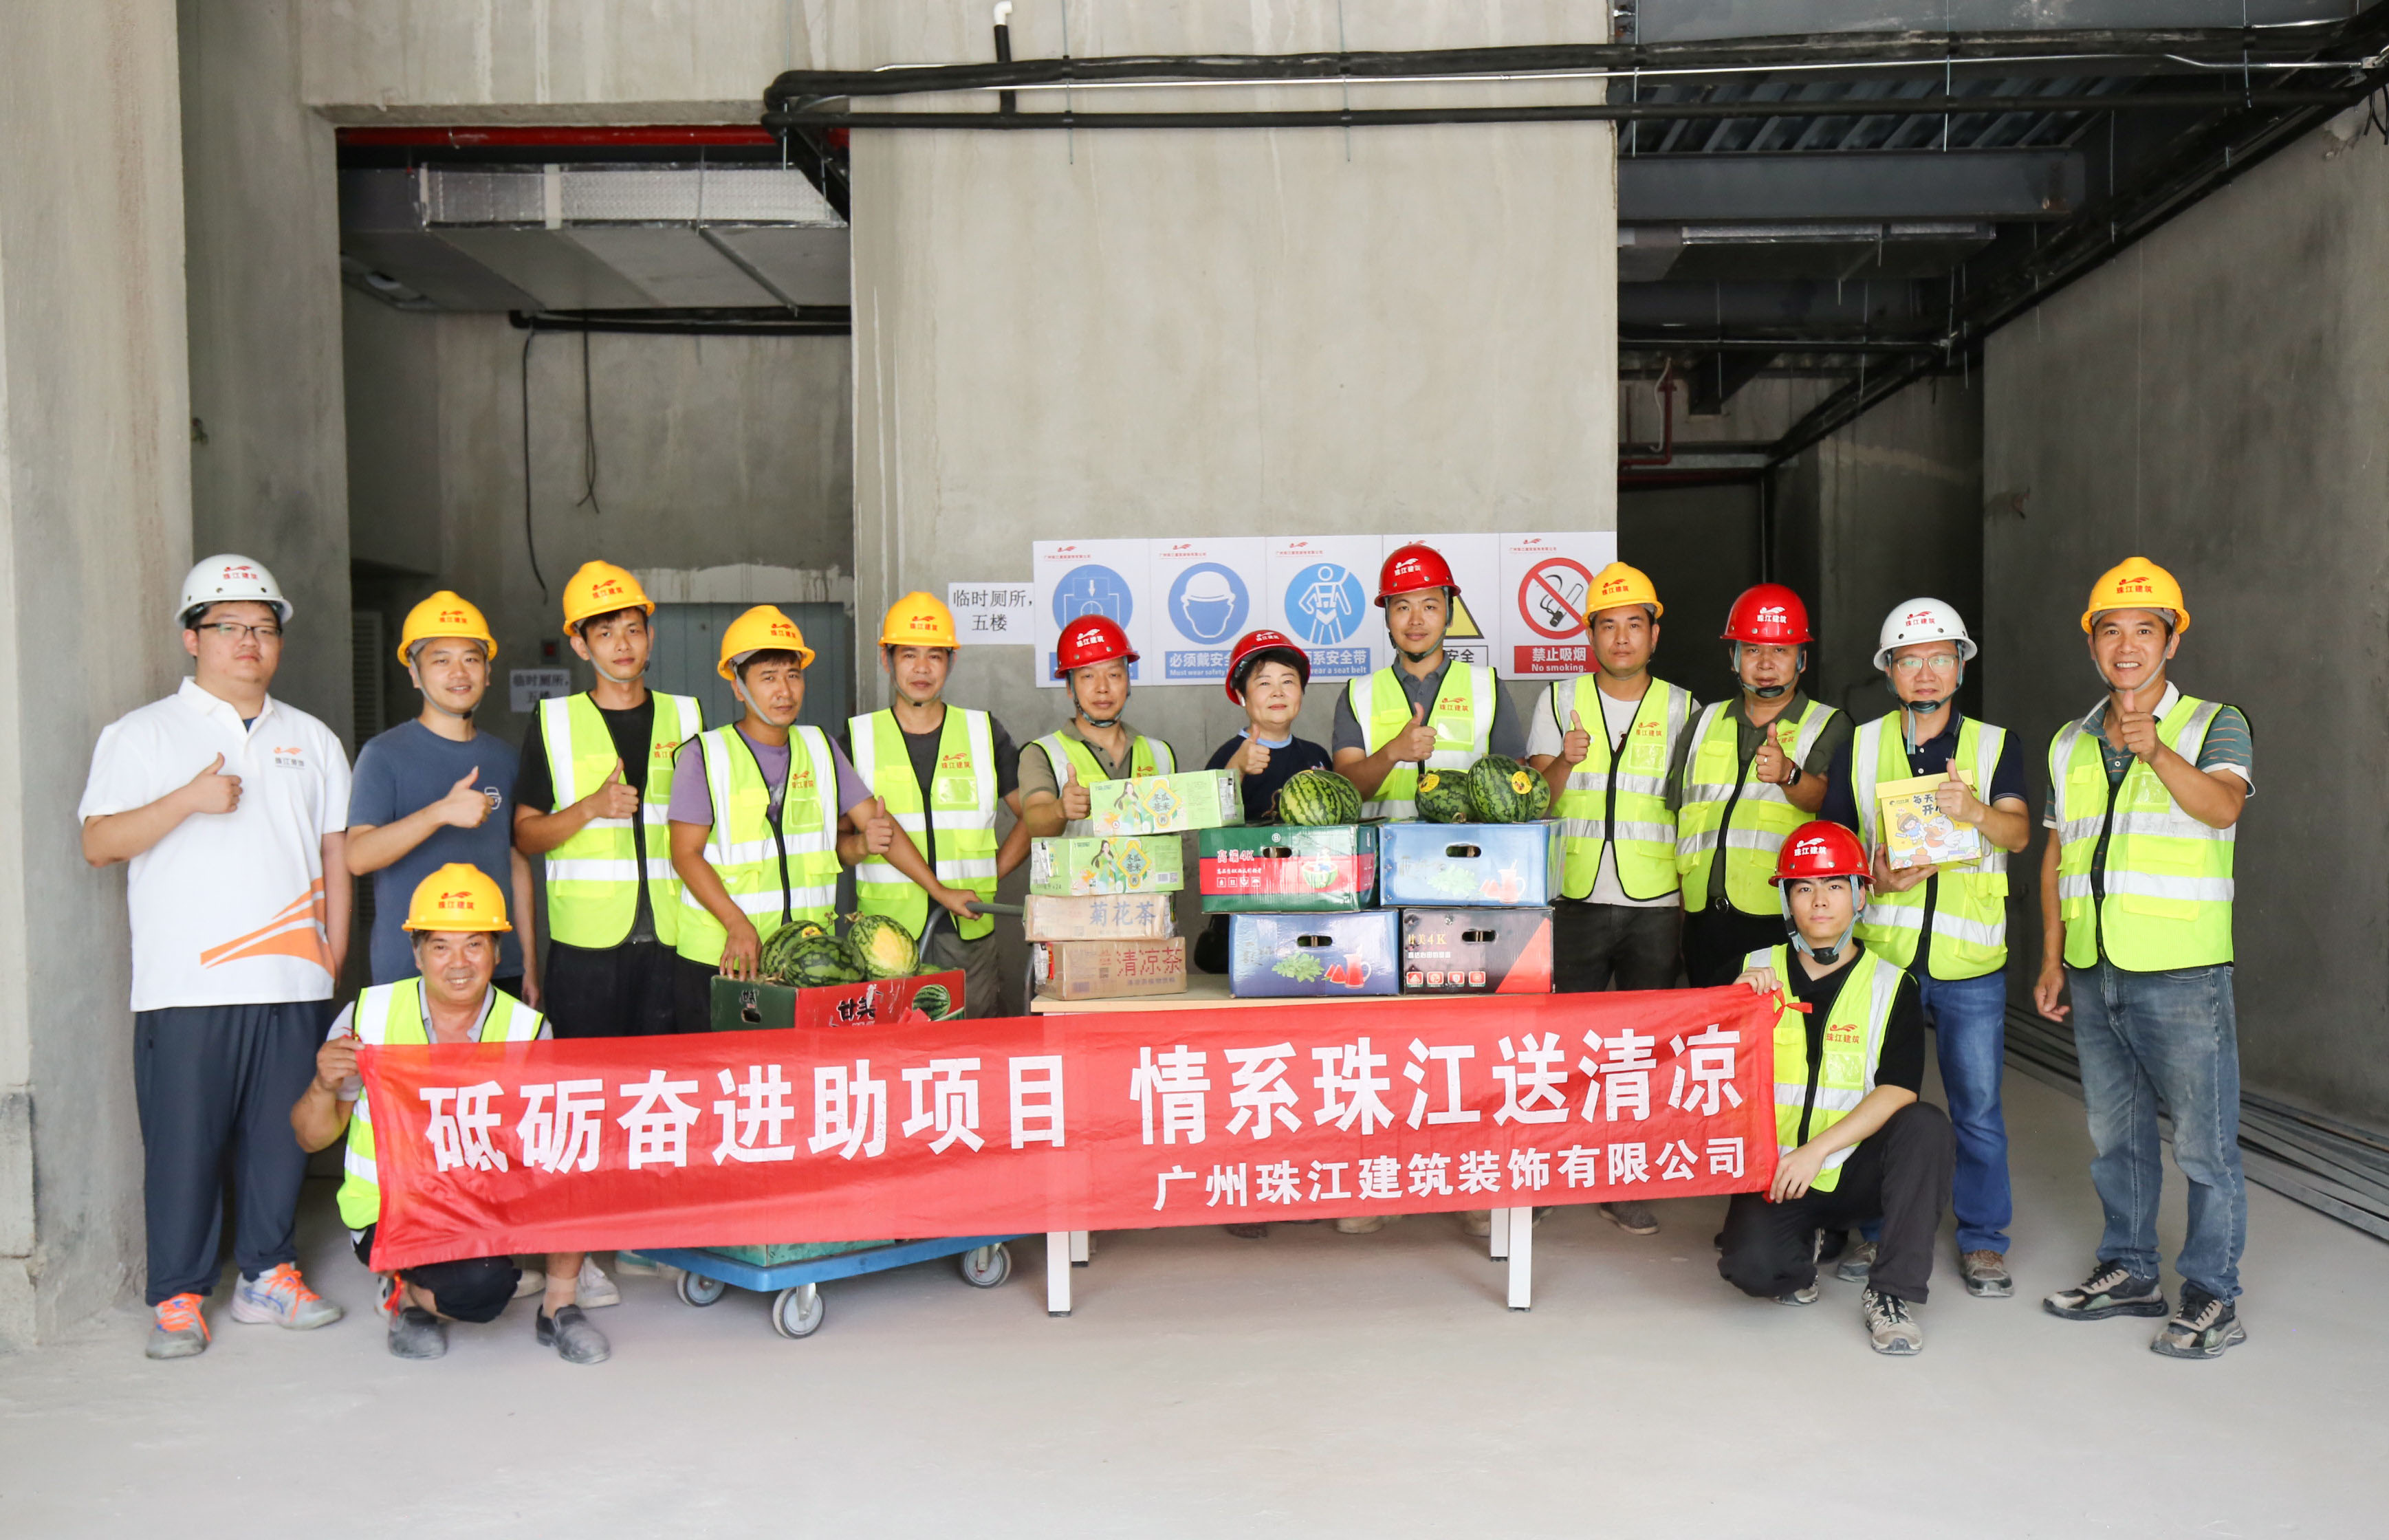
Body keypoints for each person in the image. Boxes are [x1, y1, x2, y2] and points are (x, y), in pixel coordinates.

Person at [79, 555, 351, 1359]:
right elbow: (99, 841)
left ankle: (269, 1274)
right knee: (183, 1147)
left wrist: (334, 949)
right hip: (186, 982)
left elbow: (336, 852)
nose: (249, 642)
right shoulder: (142, 734)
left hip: (292, 975)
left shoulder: (311, 737)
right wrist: (187, 800)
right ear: (192, 637)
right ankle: (179, 1294)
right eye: (229, 626)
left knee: (280, 1138)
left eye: (264, 627)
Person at [2033, 558, 2252, 1359]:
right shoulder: (2070, 741)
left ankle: (2212, 1294)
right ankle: (2130, 1269)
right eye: (2111, 631)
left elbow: (2223, 806)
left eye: (2145, 630)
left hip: (2182, 970)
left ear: (2172, 641)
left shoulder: (2214, 723)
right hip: (2095, 968)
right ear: (2091, 643)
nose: (2127, 646)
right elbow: (2057, 853)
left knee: (2204, 1143)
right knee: (2115, 1134)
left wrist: (2156, 750)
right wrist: (2053, 956)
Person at [290, 865, 608, 1364]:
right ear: (417, 954)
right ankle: (404, 1293)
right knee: (480, 1291)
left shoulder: (526, 1029)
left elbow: (549, 1141)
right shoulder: (369, 1017)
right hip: (394, 1210)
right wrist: (322, 1086)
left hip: (480, 1202)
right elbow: (311, 1138)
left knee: (575, 1146)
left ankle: (559, 1308)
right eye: (441, 946)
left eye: (474, 944)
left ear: (497, 952)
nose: (459, 963)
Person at [1817, 599, 2031, 1299]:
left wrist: (1976, 812)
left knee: (1978, 1110)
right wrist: (1871, 879)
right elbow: (1835, 851)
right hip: (1884, 960)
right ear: (1890, 672)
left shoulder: (1996, 746)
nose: (1927, 673)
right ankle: (1876, 1227)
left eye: (1941, 657)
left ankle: (1983, 1238)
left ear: (1961, 666)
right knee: (1875, 1100)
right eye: (1911, 661)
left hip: (1970, 965)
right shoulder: (1859, 745)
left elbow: (2019, 834)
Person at [1717, 822, 1954, 1356]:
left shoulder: (1893, 985)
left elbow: (1898, 1090)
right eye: (1803, 887)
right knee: (1753, 1272)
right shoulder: (1751, 971)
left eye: (1834, 885)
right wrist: (1728, 1005)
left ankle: (1891, 1292)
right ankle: (1808, 1242)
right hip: (1777, 1173)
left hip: (1853, 1169)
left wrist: (1816, 1152)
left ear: (1861, 895)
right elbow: (1692, 1063)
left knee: (1926, 1128)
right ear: (1786, 899)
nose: (1819, 901)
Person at [1524, 562, 1697, 1237]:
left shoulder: (1685, 708)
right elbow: (1534, 798)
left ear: (1655, 633)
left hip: (1656, 900)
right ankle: (1550, 1172)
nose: (1621, 638)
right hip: (1575, 897)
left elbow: (1695, 808)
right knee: (1563, 1047)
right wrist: (1564, 759)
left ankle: (1624, 1178)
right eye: (1608, 625)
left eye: (1634, 625)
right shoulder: (1557, 698)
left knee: (1640, 1049)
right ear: (1589, 633)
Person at [668, 606, 912, 1028]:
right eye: (768, 678)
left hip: (805, 961)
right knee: (726, 1068)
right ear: (738, 686)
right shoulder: (704, 755)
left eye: (793, 675)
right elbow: (685, 854)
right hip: (723, 958)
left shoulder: (821, 748)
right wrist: (736, 923)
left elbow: (876, 825)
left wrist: (936, 888)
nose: (785, 690)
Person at [513, 562, 703, 1040]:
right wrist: (589, 809)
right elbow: (525, 837)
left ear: (650, 638)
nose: (623, 645)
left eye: (633, 630)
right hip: (586, 951)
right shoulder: (553, 722)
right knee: (590, 1078)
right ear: (581, 646)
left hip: (676, 940)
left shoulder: (687, 717)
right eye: (605, 633)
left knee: (671, 1075)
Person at [348, 591, 536, 1002]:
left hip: (498, 967)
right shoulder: (383, 755)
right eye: (441, 660)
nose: (459, 672)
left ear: (488, 672)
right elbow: (358, 856)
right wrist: (438, 813)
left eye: (471, 658)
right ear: (414, 674)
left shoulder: (504, 758)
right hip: (407, 972)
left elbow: (516, 864)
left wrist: (529, 964)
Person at [847, 593, 1027, 1018]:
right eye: (909, 655)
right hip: (885, 937)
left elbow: (1034, 818)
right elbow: (838, 844)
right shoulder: (856, 739)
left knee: (972, 1040)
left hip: (967, 932)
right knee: (892, 1046)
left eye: (935, 656)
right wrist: (859, 846)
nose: (922, 668)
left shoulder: (984, 732)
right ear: (887, 660)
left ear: (951, 662)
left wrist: (990, 874)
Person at [1673, 584, 1851, 987]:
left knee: (1777, 1021)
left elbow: (1826, 803)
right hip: (1702, 919)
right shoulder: (1702, 723)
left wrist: (1789, 774)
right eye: (1753, 649)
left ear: (1802, 660)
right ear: (1733, 658)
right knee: (1710, 1023)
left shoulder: (1830, 724)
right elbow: (1680, 820)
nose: (1766, 663)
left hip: (1781, 916)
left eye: (1781, 650)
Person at [1331, 542, 1527, 822]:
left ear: (1450, 614)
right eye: (1403, 607)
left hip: (1467, 846)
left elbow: (1514, 795)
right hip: (1384, 846)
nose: (1416, 620)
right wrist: (1391, 753)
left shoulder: (1488, 687)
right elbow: (1343, 793)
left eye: (1430, 606)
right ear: (1387, 617)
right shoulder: (1357, 694)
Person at [1018, 615, 1179, 836]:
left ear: (1128, 683)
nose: (1102, 687)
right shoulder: (1043, 753)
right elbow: (1034, 822)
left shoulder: (1161, 753)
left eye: (1114, 674)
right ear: (1070, 687)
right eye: (1088, 676)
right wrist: (1059, 809)